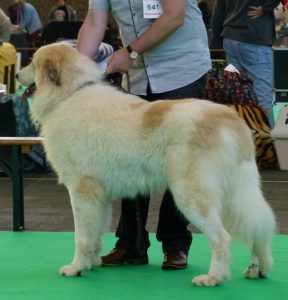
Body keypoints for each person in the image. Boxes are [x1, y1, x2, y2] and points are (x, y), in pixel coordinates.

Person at [77, 0, 211, 270]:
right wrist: (75, 70)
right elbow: (94, 20)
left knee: (178, 159)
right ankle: (131, 244)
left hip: (181, 68)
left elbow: (174, 16)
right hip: (137, 74)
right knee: (129, 158)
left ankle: (175, 244)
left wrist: (130, 51)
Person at [212, 0, 281, 129]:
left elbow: (218, 10)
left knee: (237, 94)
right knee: (262, 96)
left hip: (230, 37)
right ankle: (269, 144)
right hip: (255, 37)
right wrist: (266, 7)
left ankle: (244, 139)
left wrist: (217, 35)